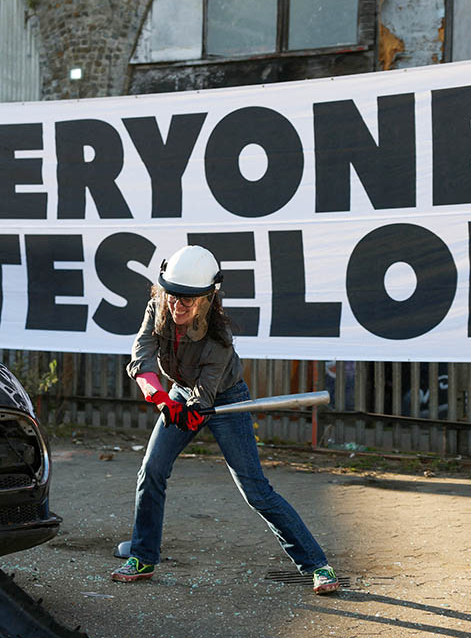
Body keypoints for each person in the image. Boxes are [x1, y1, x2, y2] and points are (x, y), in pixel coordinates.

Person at [110, 245, 339, 595]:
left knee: (256, 491)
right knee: (151, 470)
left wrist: (191, 413)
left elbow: (205, 395)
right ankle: (143, 556)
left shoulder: (219, 338)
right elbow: (142, 356)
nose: (177, 305)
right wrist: (160, 399)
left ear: (207, 298)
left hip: (225, 397)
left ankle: (317, 565)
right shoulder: (158, 307)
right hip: (179, 391)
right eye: (172, 294)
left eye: (187, 299)